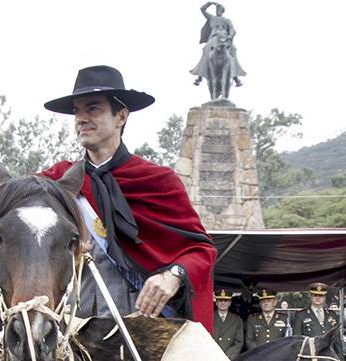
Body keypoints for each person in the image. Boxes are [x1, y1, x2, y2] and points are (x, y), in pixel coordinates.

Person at [41, 65, 217, 332]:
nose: (81, 118)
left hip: (145, 327)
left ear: (121, 116)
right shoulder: (55, 181)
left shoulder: (157, 180)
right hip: (75, 327)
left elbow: (202, 251)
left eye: (93, 109)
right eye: (77, 111)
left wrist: (173, 276)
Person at [190, 2, 246, 87]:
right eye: (217, 9)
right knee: (206, 49)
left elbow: (232, 29)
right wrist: (210, 3)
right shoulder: (212, 18)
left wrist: (230, 36)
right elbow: (202, 9)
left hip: (225, 37)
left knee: (233, 50)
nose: (218, 11)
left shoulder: (227, 20)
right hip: (214, 37)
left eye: (219, 9)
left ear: (222, 11)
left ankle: (235, 76)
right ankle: (200, 75)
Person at [213, 289, 243, 360]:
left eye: (225, 301)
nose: (223, 303)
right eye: (220, 300)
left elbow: (238, 342)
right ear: (216, 302)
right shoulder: (209, 317)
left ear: (230, 303)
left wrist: (227, 357)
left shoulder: (237, 320)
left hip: (228, 358)